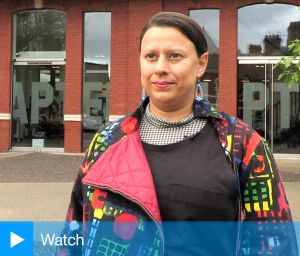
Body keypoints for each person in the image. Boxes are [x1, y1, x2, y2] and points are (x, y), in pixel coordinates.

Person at [60, 12, 298, 256]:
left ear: (201, 64)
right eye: (151, 56)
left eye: (175, 56)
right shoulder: (106, 141)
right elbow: (74, 230)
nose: (161, 68)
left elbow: (274, 243)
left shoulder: (242, 144)